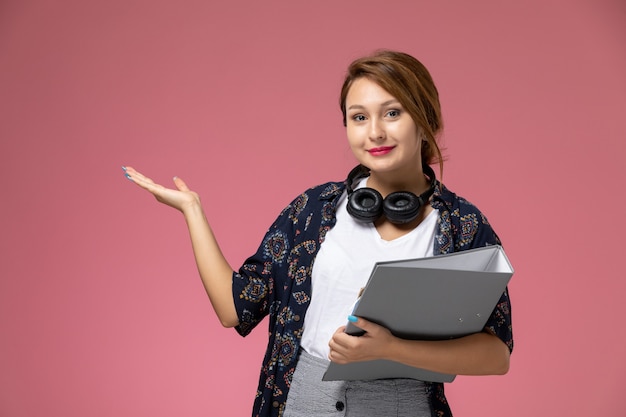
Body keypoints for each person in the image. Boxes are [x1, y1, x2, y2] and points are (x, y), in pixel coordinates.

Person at [123, 49, 513, 417]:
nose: (374, 132)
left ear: (426, 120)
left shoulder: (463, 225)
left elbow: (496, 355)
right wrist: (193, 210)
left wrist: (393, 349)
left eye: (392, 113)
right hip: (304, 401)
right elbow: (234, 309)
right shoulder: (313, 210)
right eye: (359, 117)